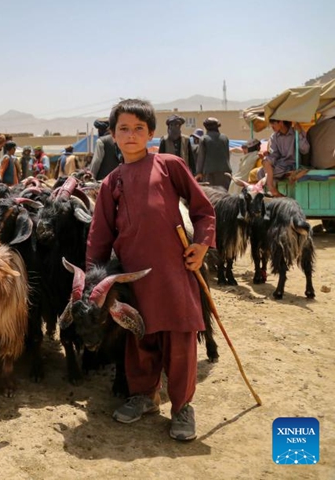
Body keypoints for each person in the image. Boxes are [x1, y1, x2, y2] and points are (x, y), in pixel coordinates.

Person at [87, 99, 215, 442]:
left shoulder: (169, 165)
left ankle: (182, 407)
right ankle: (144, 396)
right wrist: (92, 281)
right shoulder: (110, 183)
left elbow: (203, 210)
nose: (131, 135)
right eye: (123, 129)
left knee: (180, 339)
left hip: (173, 271)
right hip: (132, 275)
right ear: (112, 135)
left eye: (138, 128)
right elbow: (99, 237)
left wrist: (201, 245)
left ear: (151, 134)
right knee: (138, 336)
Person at [195, 117, 231, 190]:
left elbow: (201, 157)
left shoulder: (204, 138)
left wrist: (199, 172)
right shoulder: (225, 138)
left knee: (212, 195)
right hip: (225, 172)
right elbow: (227, 155)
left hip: (209, 173)